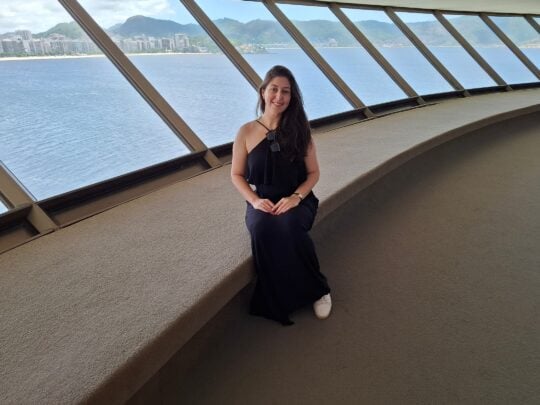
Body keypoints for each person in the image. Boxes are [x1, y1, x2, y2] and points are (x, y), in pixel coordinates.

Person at [231, 65, 331, 325]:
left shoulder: (300, 130)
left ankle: (318, 289)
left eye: (285, 91)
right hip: (261, 199)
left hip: (298, 198)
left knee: (289, 226)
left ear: (291, 96)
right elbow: (236, 175)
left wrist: (295, 198)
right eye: (274, 89)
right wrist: (254, 201)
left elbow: (313, 173)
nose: (279, 96)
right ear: (263, 92)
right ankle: (276, 296)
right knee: (262, 229)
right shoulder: (245, 132)